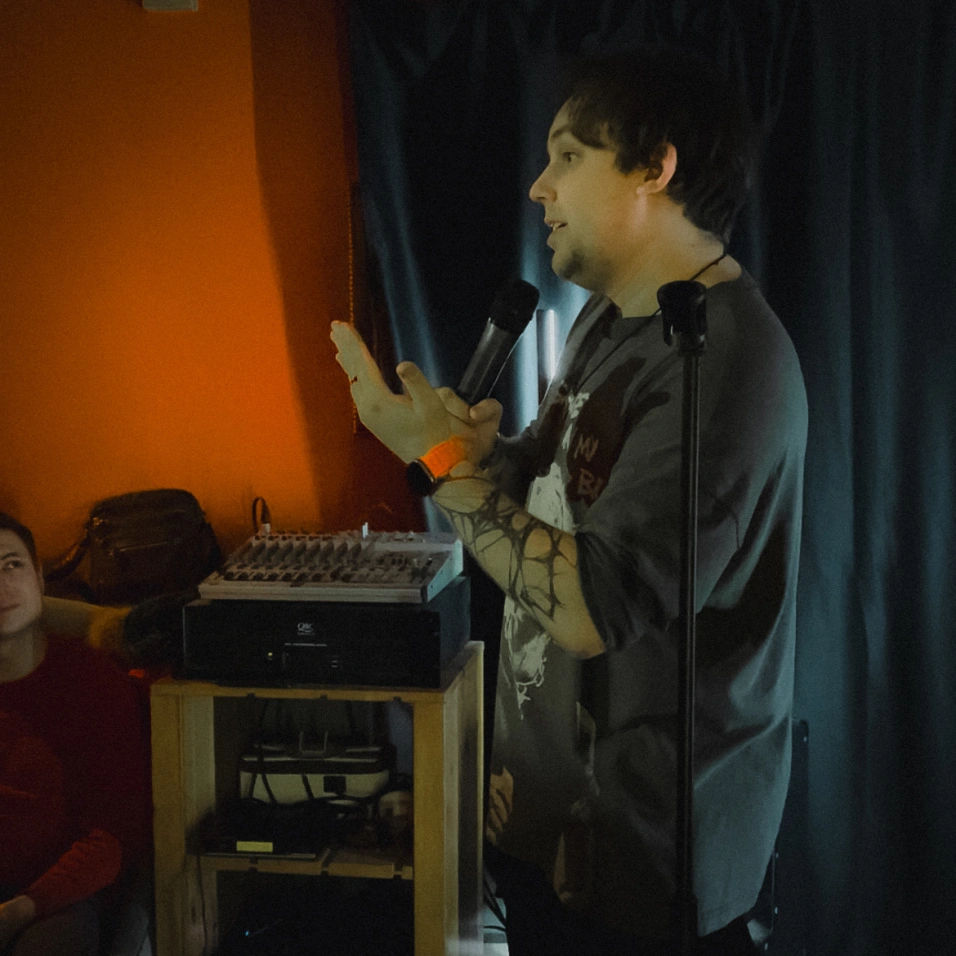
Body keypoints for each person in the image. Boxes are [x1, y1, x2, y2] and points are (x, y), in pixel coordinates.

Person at [330, 45, 807, 955]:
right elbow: (559, 494)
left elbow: (591, 606)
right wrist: (486, 457)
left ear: (653, 167)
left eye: (569, 156)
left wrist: (439, 462)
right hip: (552, 837)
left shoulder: (725, 362)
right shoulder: (610, 315)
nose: (538, 187)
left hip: (647, 870)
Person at [0, 513, 151, 956]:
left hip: (61, 893)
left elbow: (115, 834)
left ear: (39, 577)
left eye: (11, 565)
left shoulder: (91, 681)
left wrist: (23, 908)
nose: (2, 586)